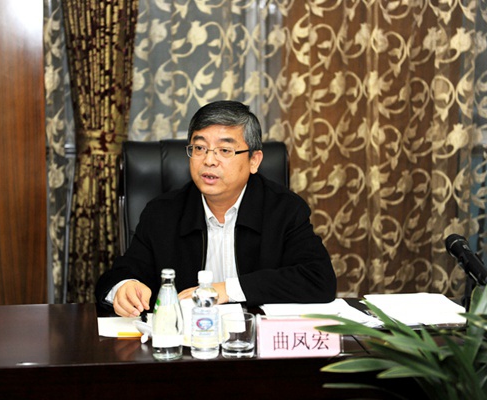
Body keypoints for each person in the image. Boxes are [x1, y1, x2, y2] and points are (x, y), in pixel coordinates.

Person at [95, 100, 337, 317]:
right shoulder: (162, 213)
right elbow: (120, 274)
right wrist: (123, 288)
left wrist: (226, 290)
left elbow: (318, 279)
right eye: (199, 148)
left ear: (254, 161)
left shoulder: (283, 209)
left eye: (225, 150)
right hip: (186, 346)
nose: (209, 160)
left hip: (254, 344)